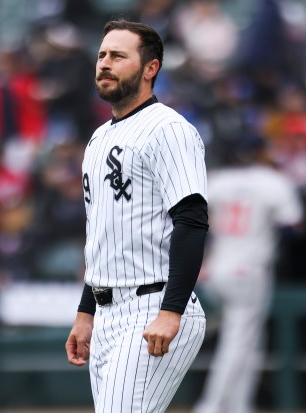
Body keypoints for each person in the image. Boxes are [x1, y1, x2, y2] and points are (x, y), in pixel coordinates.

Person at [65, 19, 209, 413]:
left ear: (150, 68)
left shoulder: (168, 129)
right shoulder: (98, 138)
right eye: (101, 55)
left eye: (118, 56)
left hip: (154, 304)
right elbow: (102, 236)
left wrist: (171, 310)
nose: (105, 63)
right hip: (108, 311)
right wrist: (85, 311)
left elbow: (192, 221)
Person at [192, 135, 305, 413]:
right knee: (238, 341)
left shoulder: (217, 180)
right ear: (259, 152)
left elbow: (192, 220)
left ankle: (241, 406)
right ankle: (211, 406)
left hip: (216, 270)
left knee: (251, 342)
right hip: (248, 271)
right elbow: (294, 227)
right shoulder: (273, 181)